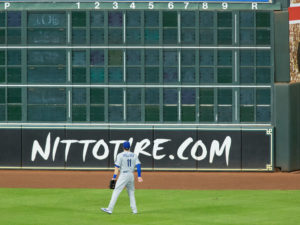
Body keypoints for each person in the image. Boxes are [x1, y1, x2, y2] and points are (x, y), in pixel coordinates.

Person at [101, 141, 143, 214]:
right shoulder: (134, 155)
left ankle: (110, 209)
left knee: (116, 191)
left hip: (124, 175)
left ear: (123, 147)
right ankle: (134, 210)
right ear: (129, 147)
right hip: (131, 175)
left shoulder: (120, 155)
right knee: (131, 192)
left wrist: (114, 177)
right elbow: (138, 166)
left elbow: (117, 167)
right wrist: (139, 176)